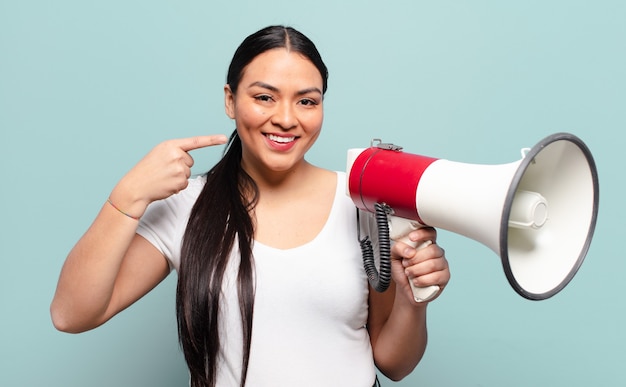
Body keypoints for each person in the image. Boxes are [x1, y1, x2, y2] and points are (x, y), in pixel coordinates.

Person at [50, 25, 450, 387]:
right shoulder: (188, 205)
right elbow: (72, 314)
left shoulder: (364, 202)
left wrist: (411, 299)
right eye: (264, 97)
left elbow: (395, 364)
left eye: (307, 102)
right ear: (230, 100)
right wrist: (128, 195)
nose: (286, 118)